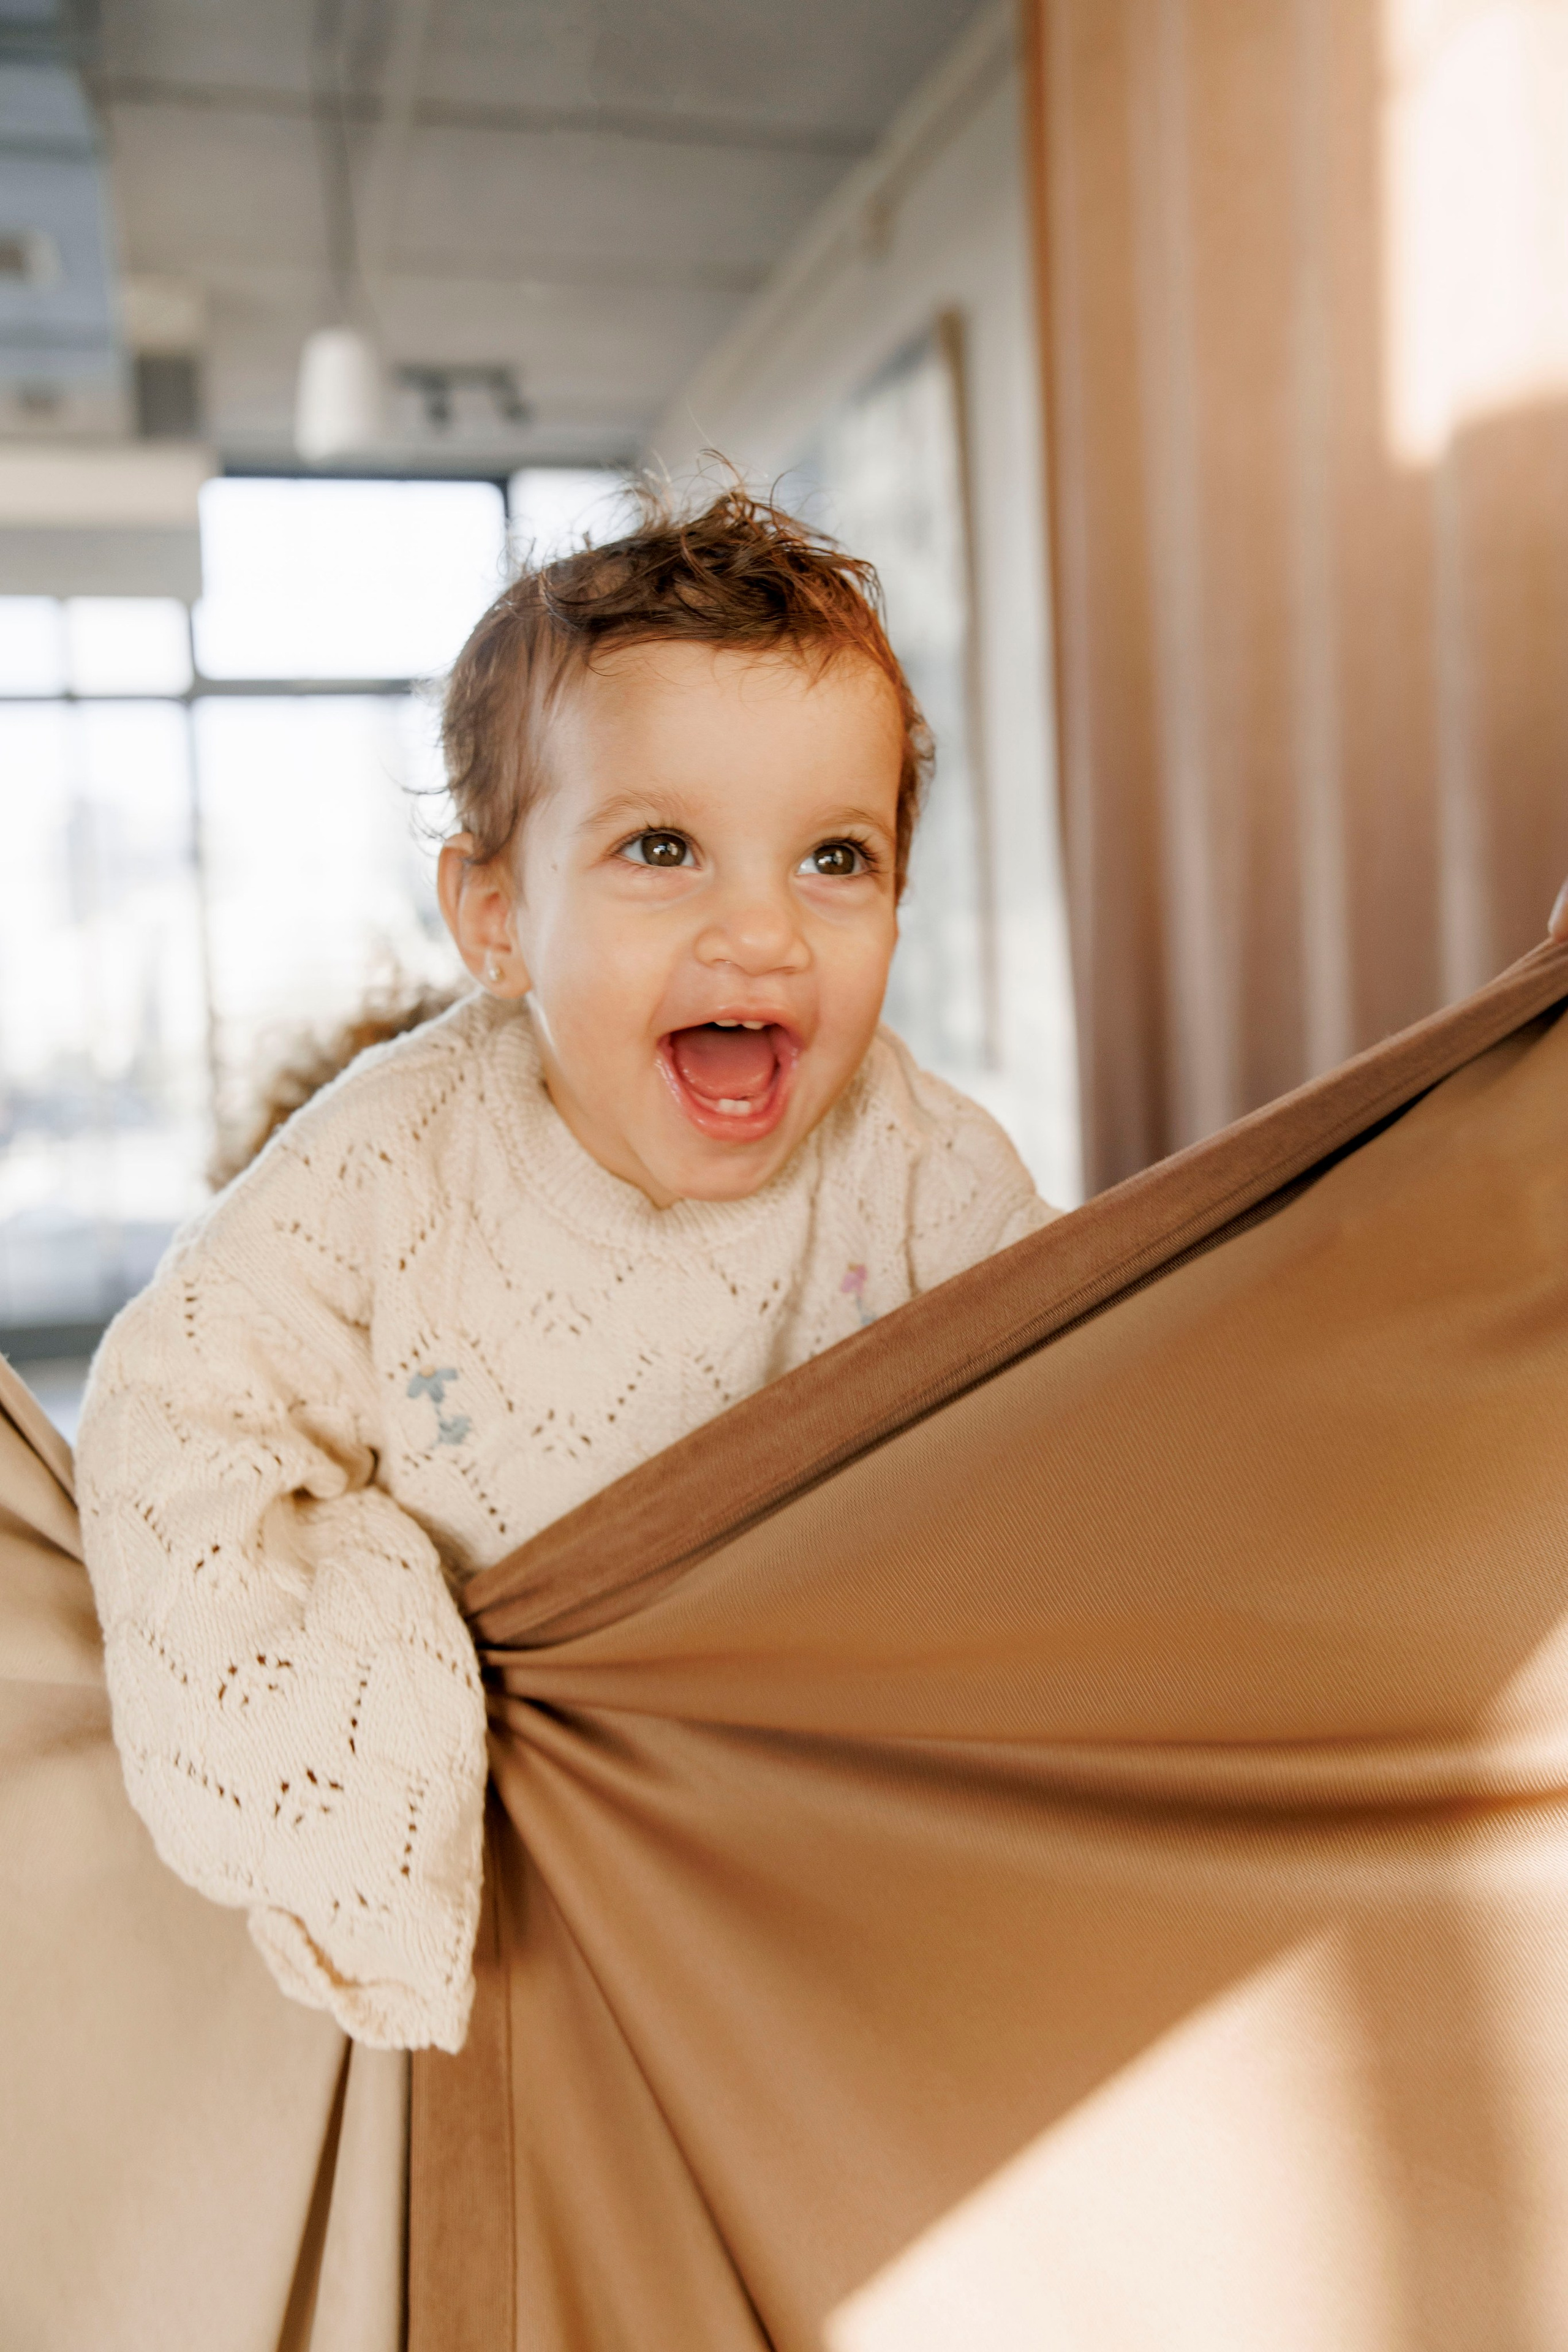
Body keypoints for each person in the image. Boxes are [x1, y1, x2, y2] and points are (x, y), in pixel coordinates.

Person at [74, 485, 1055, 2054]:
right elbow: (176, 1410)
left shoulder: (930, 1168)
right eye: (662, 848)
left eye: (833, 858)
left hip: (809, 1817)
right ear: (494, 916)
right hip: (523, 1878)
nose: (761, 933)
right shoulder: (394, 1164)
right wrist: (364, 1645)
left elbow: (1058, 1449)